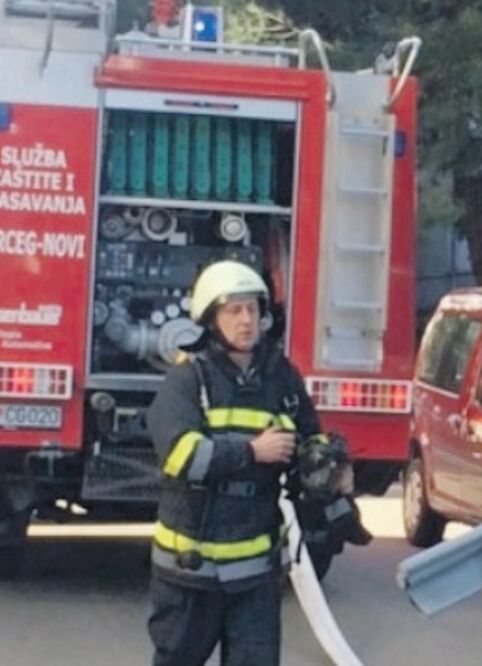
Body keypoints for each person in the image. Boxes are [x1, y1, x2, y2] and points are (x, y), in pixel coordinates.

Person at [146, 260, 364, 666]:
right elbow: (180, 457)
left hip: (254, 573)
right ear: (212, 318)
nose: (247, 321)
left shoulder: (281, 378)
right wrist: (250, 452)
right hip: (190, 570)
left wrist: (328, 469)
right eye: (234, 310)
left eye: (253, 310)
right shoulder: (188, 380)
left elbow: (307, 437)